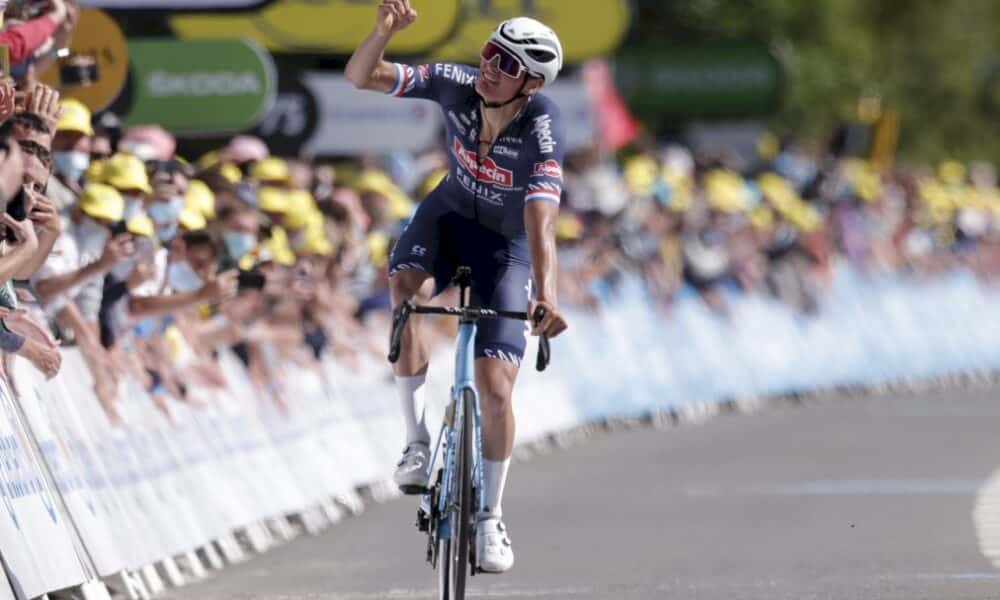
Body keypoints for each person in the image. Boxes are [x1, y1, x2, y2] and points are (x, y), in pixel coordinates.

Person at [345, 0, 569, 573]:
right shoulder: (457, 83)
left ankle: (491, 517)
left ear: (532, 84)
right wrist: (381, 33)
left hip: (506, 248)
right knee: (405, 291)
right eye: (491, 52)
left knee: (497, 390)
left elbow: (541, 222)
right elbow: (360, 76)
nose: (489, 66)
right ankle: (416, 441)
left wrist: (547, 295)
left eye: (507, 63)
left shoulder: (543, 126)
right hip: (446, 220)